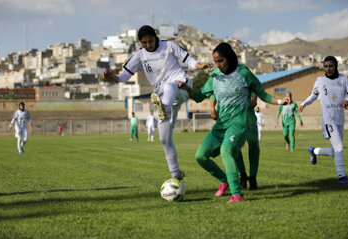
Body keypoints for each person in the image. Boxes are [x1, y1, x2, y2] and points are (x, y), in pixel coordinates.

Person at [179, 43, 289, 203]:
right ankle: (224, 181)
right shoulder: (214, 76)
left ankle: (237, 194)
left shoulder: (244, 73)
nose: (218, 64)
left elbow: (262, 94)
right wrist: (186, 89)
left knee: (226, 150)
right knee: (200, 156)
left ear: (230, 58)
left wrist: (280, 101)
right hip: (221, 125)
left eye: (221, 61)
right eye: (216, 61)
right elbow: (198, 97)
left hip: (239, 124)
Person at [103, 25, 211, 180]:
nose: (148, 45)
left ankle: (165, 109)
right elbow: (125, 75)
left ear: (156, 37)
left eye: (150, 41)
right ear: (141, 43)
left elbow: (187, 60)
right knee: (164, 138)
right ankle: (175, 173)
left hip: (182, 87)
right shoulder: (140, 56)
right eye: (144, 43)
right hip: (165, 98)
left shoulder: (169, 46)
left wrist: (200, 65)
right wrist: (114, 79)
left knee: (169, 85)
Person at [298, 56, 348, 184]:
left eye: (331, 66)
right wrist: (303, 104)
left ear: (336, 66)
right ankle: (342, 177)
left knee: (335, 152)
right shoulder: (320, 80)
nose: (328, 69)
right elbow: (313, 95)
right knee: (339, 148)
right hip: (328, 120)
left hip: (340, 118)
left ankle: (313, 151)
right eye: (326, 66)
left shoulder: (344, 79)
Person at [211, 94, 261, 190]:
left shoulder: (249, 81)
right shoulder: (227, 83)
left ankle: (253, 178)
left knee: (254, 146)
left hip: (250, 120)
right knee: (234, 148)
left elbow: (254, 100)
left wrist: (248, 101)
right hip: (234, 121)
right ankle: (242, 175)